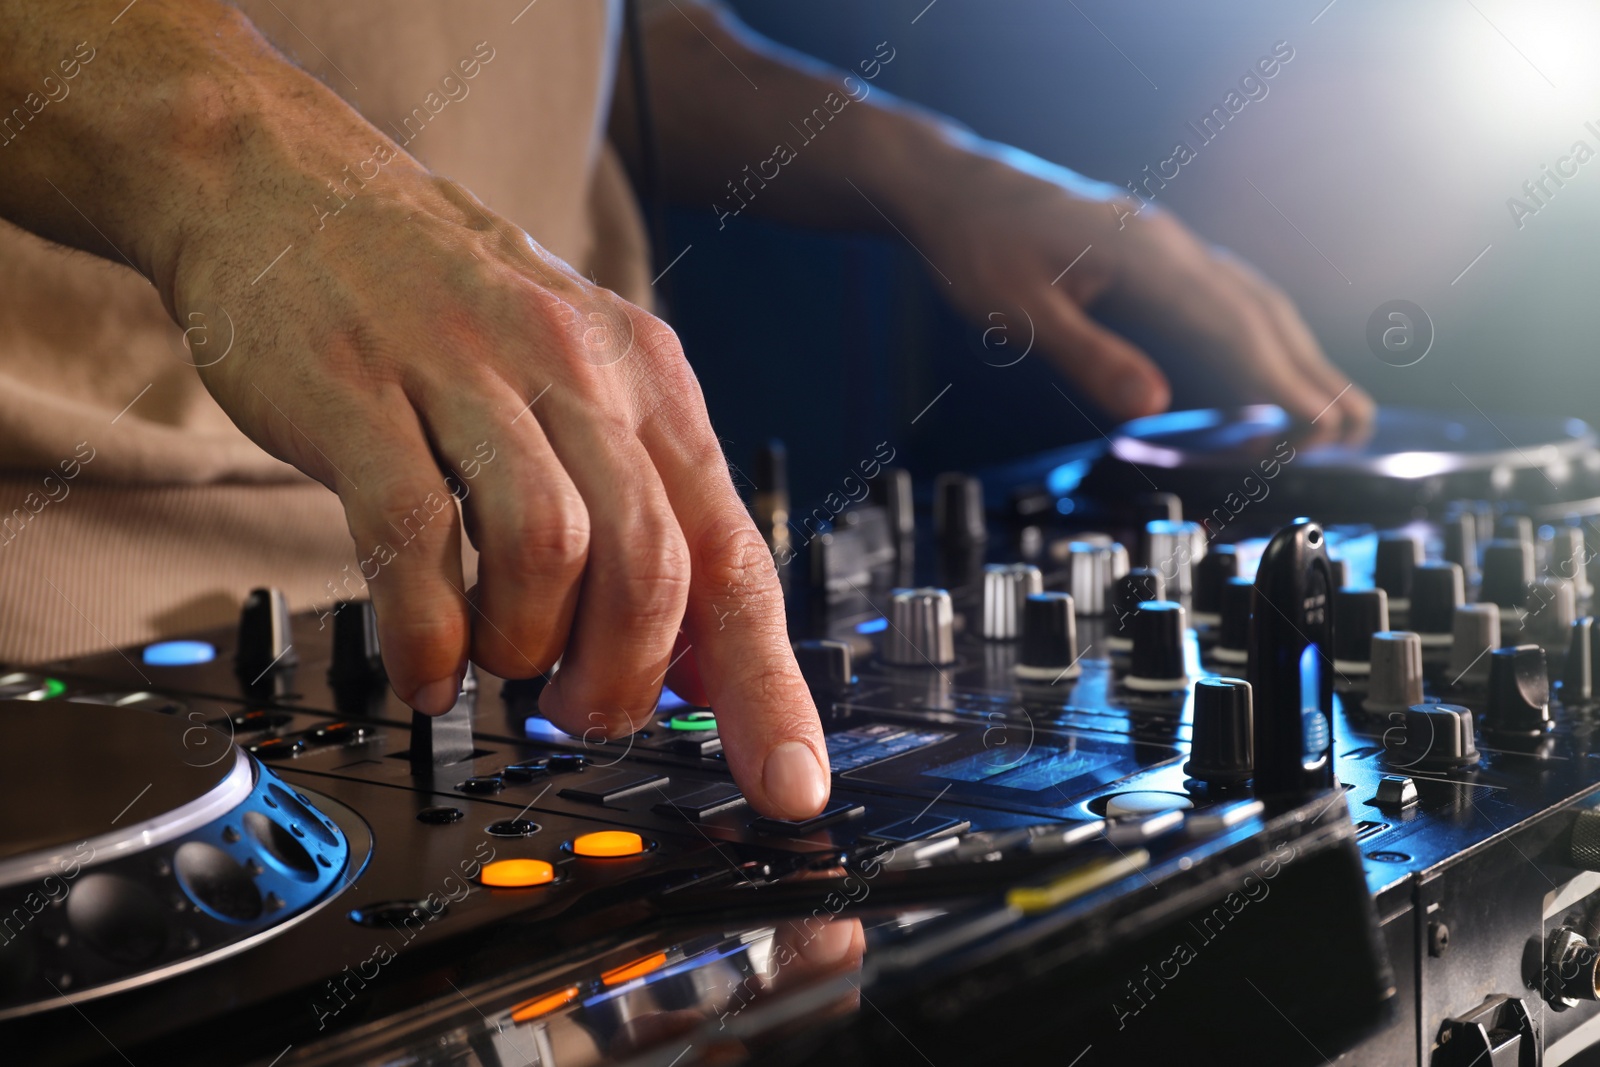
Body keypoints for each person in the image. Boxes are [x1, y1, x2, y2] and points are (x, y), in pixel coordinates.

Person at [0, 0, 1370, 820]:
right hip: (70, 613)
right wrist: (230, 149)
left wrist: (935, 167)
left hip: (572, 586)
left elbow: (586, 39)